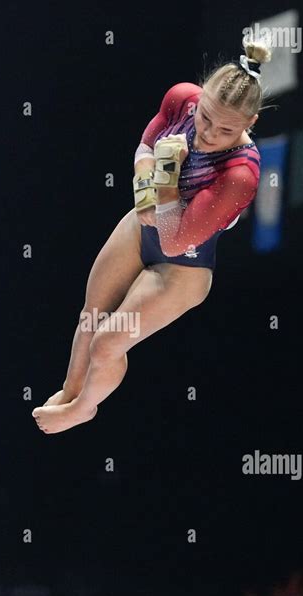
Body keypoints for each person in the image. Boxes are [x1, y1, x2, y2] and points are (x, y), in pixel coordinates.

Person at [32, 38, 272, 434]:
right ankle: (70, 391)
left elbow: (174, 239)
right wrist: (146, 187)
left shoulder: (240, 175)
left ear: (250, 125)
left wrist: (163, 178)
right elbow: (145, 146)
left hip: (184, 268)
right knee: (91, 315)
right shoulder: (183, 98)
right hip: (146, 228)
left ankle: (84, 408)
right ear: (202, 96)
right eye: (206, 117)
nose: (209, 132)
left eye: (225, 128)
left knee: (108, 342)